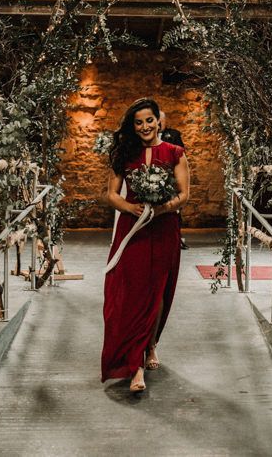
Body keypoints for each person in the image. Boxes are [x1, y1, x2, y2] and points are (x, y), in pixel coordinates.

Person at [102, 98, 190, 392]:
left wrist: (162, 209)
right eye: (138, 122)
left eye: (149, 120)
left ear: (158, 121)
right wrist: (130, 208)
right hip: (134, 228)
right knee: (133, 290)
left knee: (159, 288)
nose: (144, 127)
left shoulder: (175, 153)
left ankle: (151, 345)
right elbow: (111, 194)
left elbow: (184, 195)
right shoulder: (124, 153)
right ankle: (134, 363)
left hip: (164, 228)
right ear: (132, 125)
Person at [159, 111, 189, 249]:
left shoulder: (174, 134)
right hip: (154, 175)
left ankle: (176, 238)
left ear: (165, 121)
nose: (159, 123)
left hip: (170, 176)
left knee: (175, 208)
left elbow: (181, 151)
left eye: (161, 120)